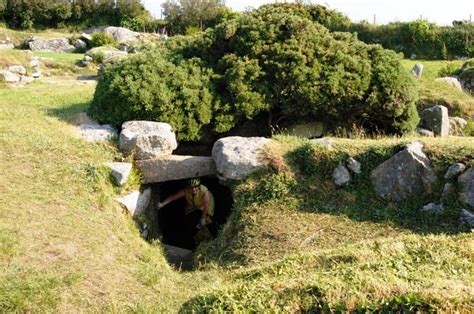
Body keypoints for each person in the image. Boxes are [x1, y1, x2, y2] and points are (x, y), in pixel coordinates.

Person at [158, 178, 215, 246]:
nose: (193, 189)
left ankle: (203, 237)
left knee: (202, 221)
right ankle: (193, 237)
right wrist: (162, 204)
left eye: (195, 187)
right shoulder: (186, 190)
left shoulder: (204, 192)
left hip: (206, 205)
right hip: (193, 204)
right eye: (191, 187)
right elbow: (173, 197)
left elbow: (206, 205)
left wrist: (203, 218)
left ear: (199, 186)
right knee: (189, 220)